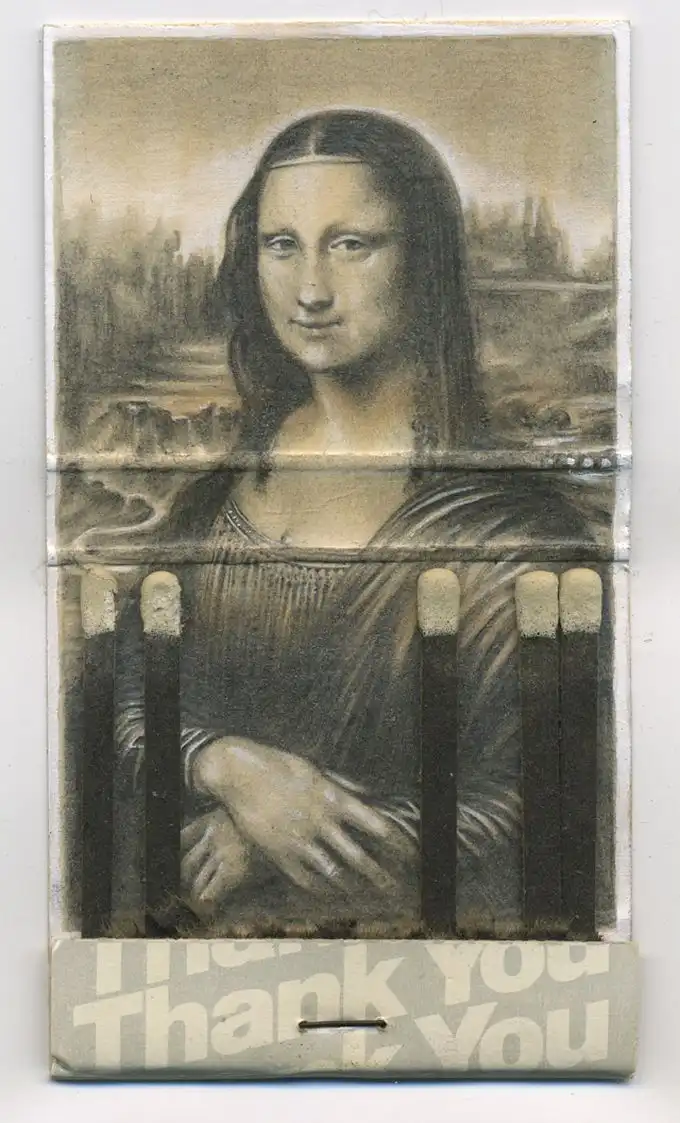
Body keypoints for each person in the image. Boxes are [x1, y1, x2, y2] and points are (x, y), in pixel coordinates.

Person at [112, 110, 606, 936]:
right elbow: (121, 703)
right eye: (281, 245)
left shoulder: (512, 530)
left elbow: (533, 805)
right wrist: (224, 764)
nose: (310, 290)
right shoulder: (209, 504)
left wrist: (277, 837)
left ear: (425, 261)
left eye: (351, 244)